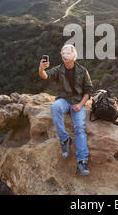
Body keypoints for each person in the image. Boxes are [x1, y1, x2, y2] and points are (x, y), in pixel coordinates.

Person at [38, 44, 93, 175]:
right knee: (55, 107)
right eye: (63, 52)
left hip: (77, 103)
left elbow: (89, 91)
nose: (64, 55)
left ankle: (82, 161)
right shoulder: (59, 69)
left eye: (68, 53)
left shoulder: (82, 71)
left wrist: (80, 105)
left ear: (74, 55)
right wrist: (41, 69)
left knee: (79, 128)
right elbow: (45, 76)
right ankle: (64, 139)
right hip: (64, 100)